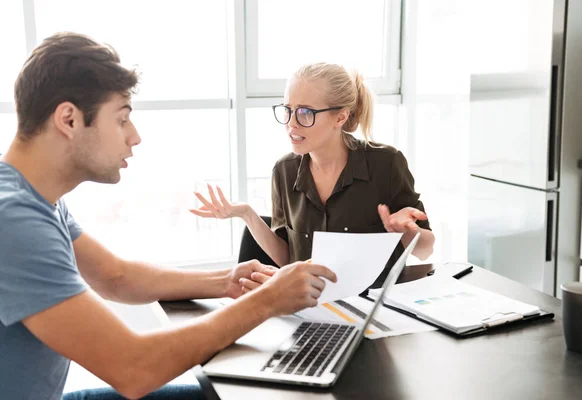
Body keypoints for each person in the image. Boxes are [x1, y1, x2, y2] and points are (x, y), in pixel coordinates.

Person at [0, 33, 337, 400]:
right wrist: (268, 300)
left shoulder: (32, 197)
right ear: (69, 119)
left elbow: (116, 277)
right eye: (122, 119)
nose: (135, 136)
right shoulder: (14, 221)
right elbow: (133, 369)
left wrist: (225, 281)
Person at [191, 62, 435, 287]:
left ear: (340, 116)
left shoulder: (386, 164)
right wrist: (247, 214)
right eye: (288, 110)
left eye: (305, 112)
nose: (291, 124)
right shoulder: (284, 171)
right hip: (309, 308)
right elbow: (289, 260)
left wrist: (406, 231)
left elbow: (425, 250)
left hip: (373, 309)